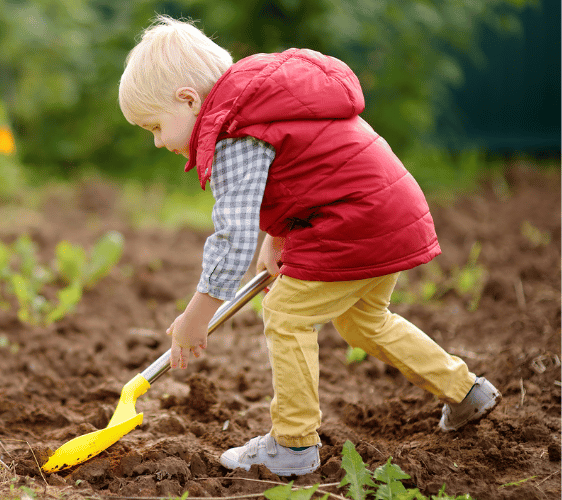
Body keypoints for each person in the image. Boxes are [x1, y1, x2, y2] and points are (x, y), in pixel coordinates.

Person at [117, 15, 502, 477]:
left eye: (156, 127)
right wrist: (277, 241)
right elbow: (303, 173)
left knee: (286, 314)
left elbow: (233, 235)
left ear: (188, 100)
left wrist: (196, 316)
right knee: (365, 322)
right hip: (385, 210)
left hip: (353, 222)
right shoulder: (263, 103)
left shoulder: (234, 134)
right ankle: (465, 391)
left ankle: (293, 445)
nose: (158, 142)